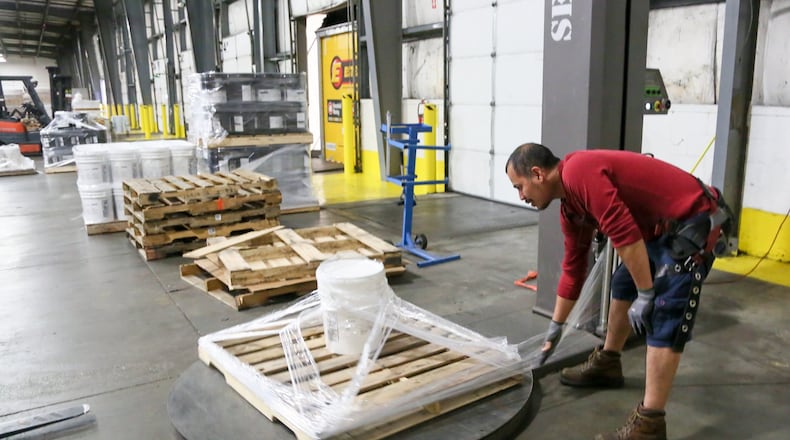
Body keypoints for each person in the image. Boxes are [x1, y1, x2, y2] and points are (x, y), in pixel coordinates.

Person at [505, 143, 731, 440]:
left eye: (519, 187)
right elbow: (573, 268)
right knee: (623, 282)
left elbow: (625, 235)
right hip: (662, 231)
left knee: (665, 313)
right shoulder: (570, 208)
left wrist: (647, 294)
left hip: (694, 222)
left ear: (537, 174)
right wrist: (555, 328)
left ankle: (650, 424)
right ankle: (608, 363)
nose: (521, 197)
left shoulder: (578, 172)